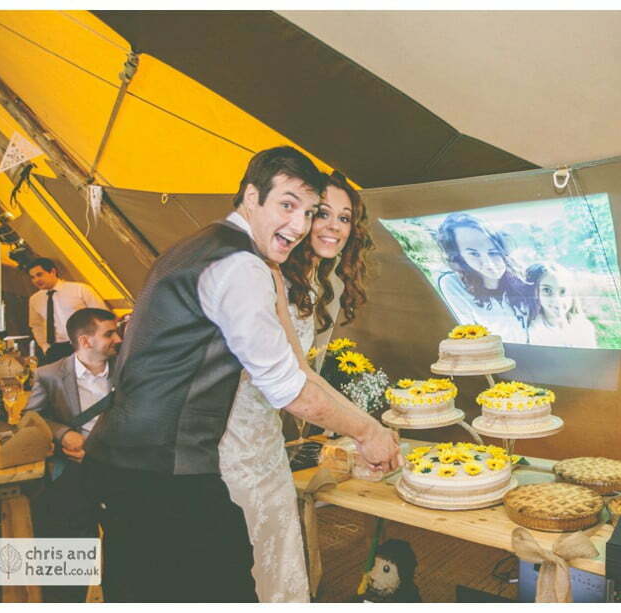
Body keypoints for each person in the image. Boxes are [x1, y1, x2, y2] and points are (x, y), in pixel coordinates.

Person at [82, 147, 401, 603]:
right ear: (251, 196)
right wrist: (368, 430)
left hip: (127, 462)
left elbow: (293, 369)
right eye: (287, 205)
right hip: (167, 473)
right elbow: (290, 389)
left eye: (308, 212)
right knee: (227, 588)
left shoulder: (199, 247)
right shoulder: (241, 266)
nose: (300, 225)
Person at [220, 169, 372, 602]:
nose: (333, 228)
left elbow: (308, 372)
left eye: (345, 219)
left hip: (266, 441)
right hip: (229, 438)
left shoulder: (325, 284)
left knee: (279, 562)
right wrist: (366, 429)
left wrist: (361, 425)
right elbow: (291, 377)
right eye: (321, 213)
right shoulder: (263, 275)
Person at [25, 307, 121, 602]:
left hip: (119, 468)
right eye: (109, 333)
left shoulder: (127, 369)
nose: (118, 339)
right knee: (67, 555)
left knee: (125, 549)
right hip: (74, 472)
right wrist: (64, 433)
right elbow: (31, 418)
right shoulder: (49, 375)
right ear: (86, 340)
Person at [435, 213, 528, 342]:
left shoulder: (522, 275)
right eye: (473, 254)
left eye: (493, 252)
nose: (489, 264)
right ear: (460, 257)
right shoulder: (453, 284)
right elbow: (470, 336)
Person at [27, 257, 107, 365]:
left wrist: (97, 343)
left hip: (84, 344)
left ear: (53, 271)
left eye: (39, 274)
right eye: (32, 277)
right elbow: (36, 325)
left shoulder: (80, 290)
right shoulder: (35, 300)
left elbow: (102, 316)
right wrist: (45, 347)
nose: (36, 280)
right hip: (56, 349)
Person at [524, 263, 598, 348]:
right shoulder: (533, 328)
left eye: (563, 291)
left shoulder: (584, 327)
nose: (557, 301)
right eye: (547, 290)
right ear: (535, 293)